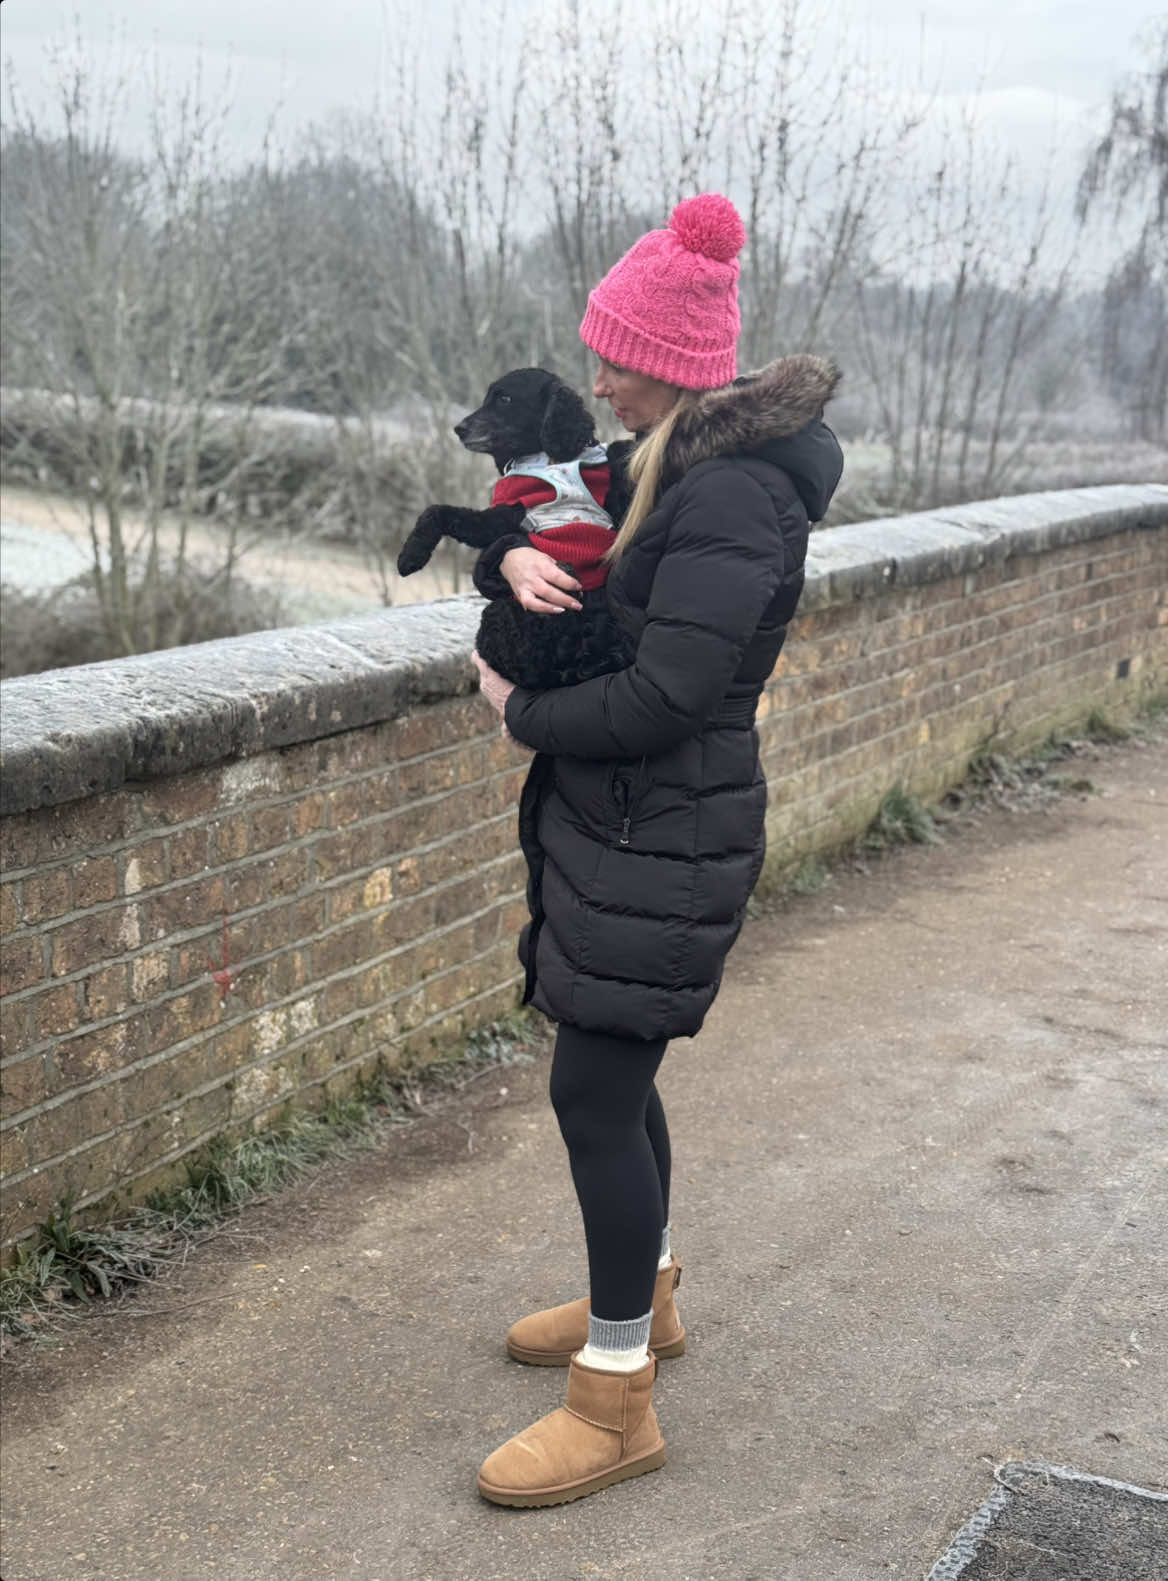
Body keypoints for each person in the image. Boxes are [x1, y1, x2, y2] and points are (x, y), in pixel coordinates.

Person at [470, 193, 844, 1508]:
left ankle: (615, 1396)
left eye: (614, 355)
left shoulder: (731, 495)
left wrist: (522, 711)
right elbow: (565, 550)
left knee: (592, 1095)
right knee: (615, 1082)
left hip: (664, 821)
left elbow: (664, 696)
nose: (595, 376)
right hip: (633, 821)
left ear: (671, 365)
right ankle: (650, 1295)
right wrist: (511, 562)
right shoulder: (667, 471)